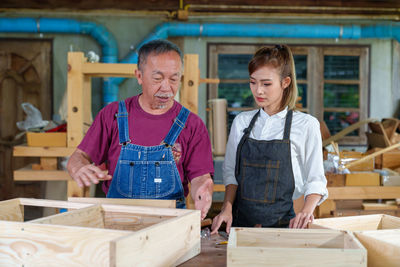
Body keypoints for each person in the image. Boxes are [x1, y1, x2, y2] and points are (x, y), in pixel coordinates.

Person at [67, 39, 214, 220]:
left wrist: (202, 189)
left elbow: (201, 177)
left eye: (174, 79)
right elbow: (78, 157)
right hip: (117, 221)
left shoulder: (192, 124)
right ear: (139, 76)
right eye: (158, 78)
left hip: (170, 224)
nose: (167, 87)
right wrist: (78, 167)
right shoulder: (112, 115)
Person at [211, 45, 328, 233]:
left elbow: (316, 179)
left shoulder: (306, 125)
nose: (258, 91)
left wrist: (306, 211)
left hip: (283, 227)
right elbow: (230, 172)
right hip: (240, 224)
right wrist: (226, 208)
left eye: (266, 84)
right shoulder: (242, 122)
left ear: (285, 82)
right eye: (252, 82)